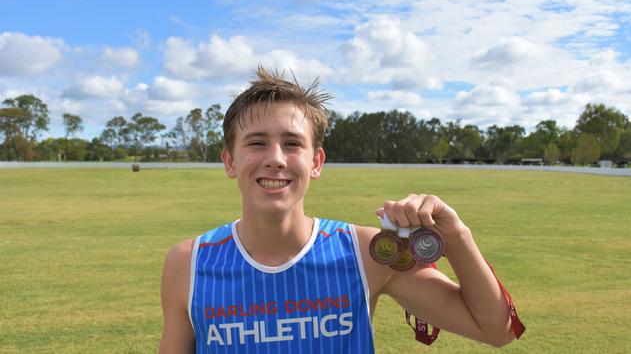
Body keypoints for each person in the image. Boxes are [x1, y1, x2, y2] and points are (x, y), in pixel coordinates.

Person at [159, 67, 524, 353]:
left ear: (316, 162)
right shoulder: (188, 263)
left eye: (291, 143)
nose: (275, 159)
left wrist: (457, 237)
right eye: (257, 143)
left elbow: (495, 330)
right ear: (229, 161)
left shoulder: (366, 253)